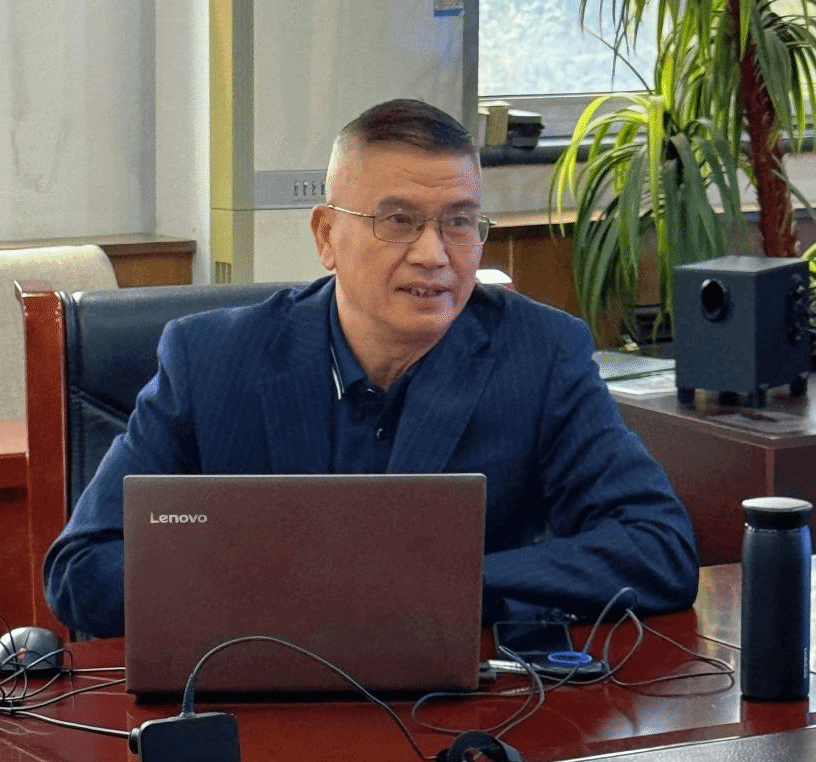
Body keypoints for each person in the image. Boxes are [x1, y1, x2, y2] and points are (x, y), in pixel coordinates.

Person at [44, 99, 699, 637]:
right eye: (399, 221)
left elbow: (659, 547)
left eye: (459, 222)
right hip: (259, 702)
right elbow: (82, 570)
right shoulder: (211, 359)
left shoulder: (539, 354)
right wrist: (279, 591)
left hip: (454, 709)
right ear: (326, 235)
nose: (433, 255)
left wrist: (437, 586)